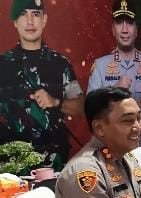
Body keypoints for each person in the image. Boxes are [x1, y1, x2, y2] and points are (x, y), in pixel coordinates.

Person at [0, 0, 84, 172]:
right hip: (12, 163)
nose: (30, 21)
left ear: (44, 20)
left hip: (52, 162)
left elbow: (80, 107)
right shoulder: (3, 64)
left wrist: (56, 102)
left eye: (35, 14)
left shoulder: (60, 64)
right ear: (15, 22)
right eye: (23, 14)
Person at [87, 0, 141, 150]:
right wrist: (114, 89)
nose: (125, 29)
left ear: (137, 29)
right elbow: (90, 107)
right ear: (113, 29)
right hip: (110, 147)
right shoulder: (100, 66)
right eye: (119, 23)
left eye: (130, 23)